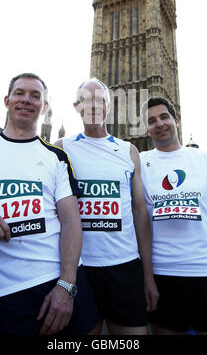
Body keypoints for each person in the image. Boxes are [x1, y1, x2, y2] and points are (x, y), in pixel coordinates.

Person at [0, 73, 99, 336]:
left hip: (65, 281)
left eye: (35, 96)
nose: (26, 100)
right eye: (20, 93)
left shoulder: (56, 156)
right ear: (7, 100)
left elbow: (72, 220)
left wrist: (67, 284)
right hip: (8, 292)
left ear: (44, 107)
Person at [55, 78, 159, 335]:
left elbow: (139, 213)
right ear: (76, 106)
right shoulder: (60, 149)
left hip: (124, 267)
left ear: (109, 107)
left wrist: (148, 275)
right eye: (86, 101)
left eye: (100, 100)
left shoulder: (128, 151)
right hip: (79, 270)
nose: (93, 106)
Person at [140, 96, 207, 335]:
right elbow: (140, 221)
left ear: (176, 121)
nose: (159, 124)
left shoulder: (205, 160)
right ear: (146, 129)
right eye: (152, 120)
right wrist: (146, 278)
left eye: (164, 117)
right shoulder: (140, 162)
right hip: (163, 275)